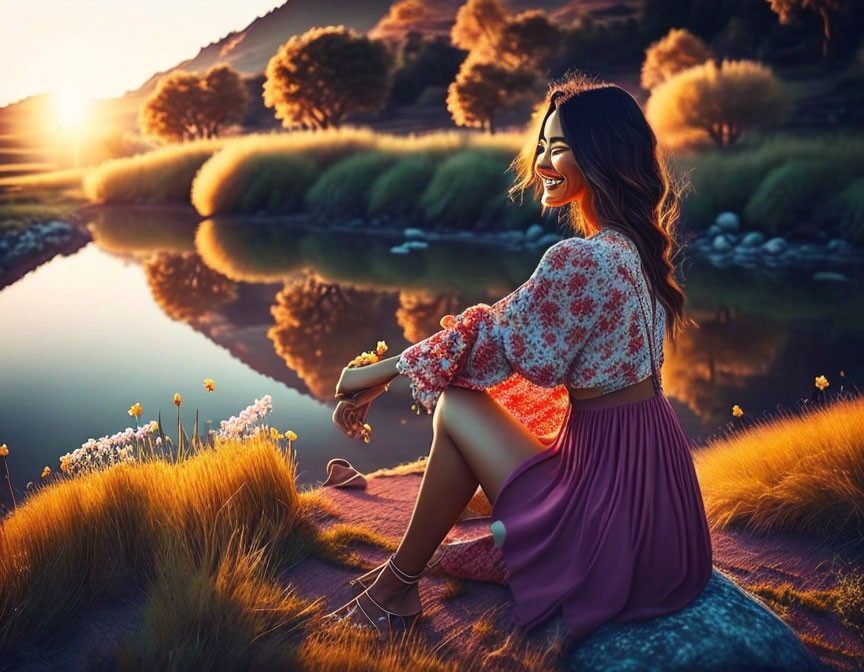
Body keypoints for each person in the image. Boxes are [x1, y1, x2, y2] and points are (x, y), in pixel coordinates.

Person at [324, 71, 714, 652]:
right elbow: (502, 334)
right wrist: (392, 373)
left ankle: (394, 590)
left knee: (457, 402)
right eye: (542, 147)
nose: (542, 163)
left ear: (603, 155)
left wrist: (369, 375)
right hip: (659, 500)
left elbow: (489, 344)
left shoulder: (580, 259)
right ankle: (398, 584)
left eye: (560, 148)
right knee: (463, 404)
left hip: (607, 502)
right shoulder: (636, 249)